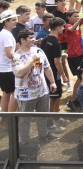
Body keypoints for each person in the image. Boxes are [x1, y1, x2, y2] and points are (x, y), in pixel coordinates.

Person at [13, 28, 56, 157]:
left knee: (43, 114)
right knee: (25, 119)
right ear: (22, 40)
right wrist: (32, 60)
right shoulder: (16, 57)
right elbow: (20, 73)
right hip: (26, 94)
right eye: (31, 38)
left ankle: (44, 135)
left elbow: (47, 67)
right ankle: (25, 142)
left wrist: (52, 82)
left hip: (42, 91)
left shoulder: (39, 51)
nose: (34, 40)